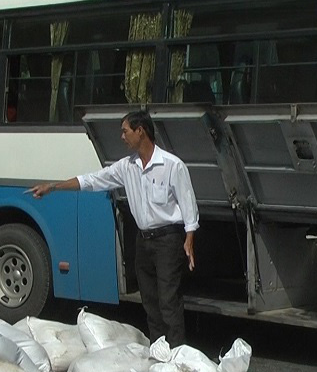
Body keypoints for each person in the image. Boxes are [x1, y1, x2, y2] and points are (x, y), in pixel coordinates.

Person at [27, 110, 199, 345]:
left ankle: (178, 352)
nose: (122, 137)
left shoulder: (172, 165)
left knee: (169, 301)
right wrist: (54, 186)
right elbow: (92, 180)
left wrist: (189, 238)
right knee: (150, 302)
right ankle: (160, 352)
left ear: (141, 131)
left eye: (125, 131)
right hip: (143, 241)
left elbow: (188, 204)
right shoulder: (126, 167)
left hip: (168, 240)